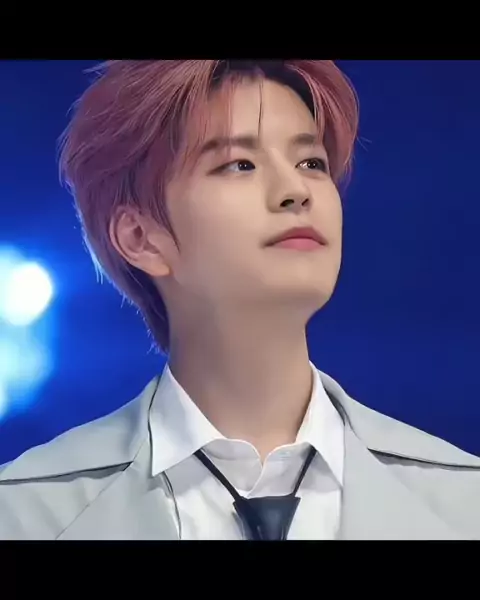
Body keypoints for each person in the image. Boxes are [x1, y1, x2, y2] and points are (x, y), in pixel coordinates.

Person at [0, 60, 479, 540]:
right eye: (239, 164)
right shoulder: (28, 513)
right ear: (140, 237)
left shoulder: (462, 503)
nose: (296, 191)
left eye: (311, 163)